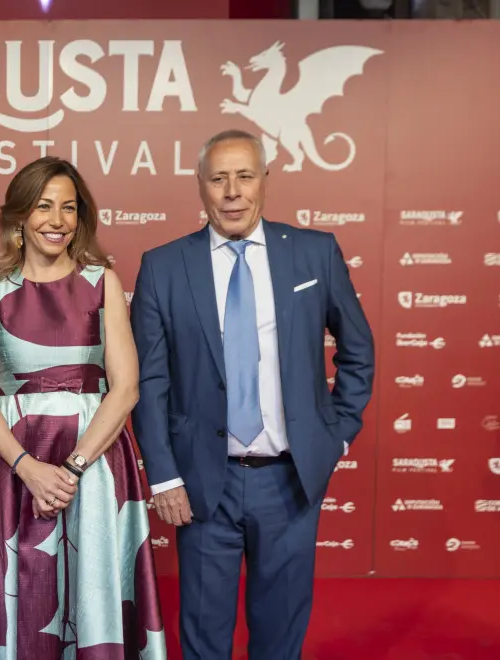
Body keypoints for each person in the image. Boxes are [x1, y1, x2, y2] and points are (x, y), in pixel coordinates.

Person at [130, 129, 374, 660]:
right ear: (200, 186)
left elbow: (357, 350)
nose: (232, 191)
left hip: (290, 482)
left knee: (279, 638)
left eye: (244, 176)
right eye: (218, 178)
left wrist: (336, 436)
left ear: (264, 180)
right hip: (200, 486)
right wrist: (166, 475)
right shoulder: (164, 266)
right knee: (202, 639)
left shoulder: (314, 252)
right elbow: (149, 382)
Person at [0, 156, 167, 658]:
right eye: (44, 206)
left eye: (68, 207)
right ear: (20, 215)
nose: (57, 220)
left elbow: (126, 388)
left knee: (93, 592)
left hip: (94, 463)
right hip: (9, 466)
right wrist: (28, 469)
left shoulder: (102, 281)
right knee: (19, 590)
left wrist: (70, 468)